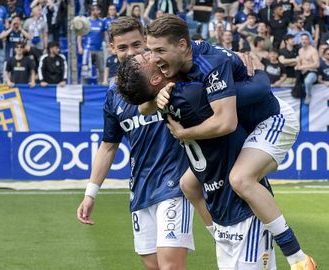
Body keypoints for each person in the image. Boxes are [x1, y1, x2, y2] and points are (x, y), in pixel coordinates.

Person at [130, 14, 317, 270]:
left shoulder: (209, 65)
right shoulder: (178, 66)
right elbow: (143, 109)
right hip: (248, 122)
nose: (154, 57)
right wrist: (156, 98)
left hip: (273, 119)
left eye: (159, 50)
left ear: (183, 45)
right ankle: (218, 234)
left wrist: (184, 134)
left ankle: (297, 257)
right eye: (150, 50)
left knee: (240, 179)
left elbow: (226, 123)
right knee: (188, 184)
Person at [118, 52, 279, 269]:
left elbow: (143, 108)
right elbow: (258, 89)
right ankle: (295, 254)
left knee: (188, 184)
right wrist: (255, 68)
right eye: (146, 58)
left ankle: (218, 232)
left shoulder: (170, 97)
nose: (151, 54)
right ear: (156, 80)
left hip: (225, 202)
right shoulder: (192, 92)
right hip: (239, 203)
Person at [76, 16, 194, 270]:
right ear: (112, 49)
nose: (131, 52)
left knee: (171, 266)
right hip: (141, 188)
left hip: (175, 184)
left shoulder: (169, 74)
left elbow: (197, 53)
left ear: (146, 42)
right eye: (122, 47)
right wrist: (90, 193)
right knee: (152, 265)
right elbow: (109, 146)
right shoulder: (113, 94)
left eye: (137, 45)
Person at [78, 4, 107, 83]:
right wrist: (80, 47)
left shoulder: (102, 21)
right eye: (97, 10)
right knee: (85, 68)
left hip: (99, 49)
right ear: (92, 11)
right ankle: (84, 85)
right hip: (88, 49)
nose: (99, 11)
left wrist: (108, 45)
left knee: (101, 69)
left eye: (99, 10)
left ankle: (101, 84)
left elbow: (105, 34)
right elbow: (80, 35)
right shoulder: (86, 21)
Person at [295, 33, 319, 104]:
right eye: (302, 39)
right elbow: (300, 61)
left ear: (309, 41)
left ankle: (308, 95)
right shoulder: (300, 50)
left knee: (307, 81)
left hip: (312, 72)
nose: (304, 41)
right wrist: (298, 65)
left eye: (306, 39)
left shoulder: (313, 50)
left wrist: (304, 67)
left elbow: (317, 64)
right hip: (302, 72)